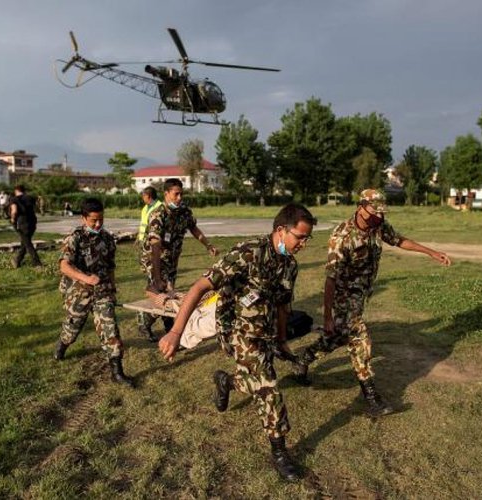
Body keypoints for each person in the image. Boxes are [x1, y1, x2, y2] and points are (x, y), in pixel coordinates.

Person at [158, 203, 316, 482]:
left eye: (307, 238)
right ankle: (279, 451)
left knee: (253, 381)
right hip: (236, 330)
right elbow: (199, 287)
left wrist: (281, 339)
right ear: (281, 230)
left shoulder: (289, 265)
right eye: (300, 237)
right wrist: (176, 332)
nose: (303, 243)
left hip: (264, 331)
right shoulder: (247, 253)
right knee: (268, 386)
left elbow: (281, 305)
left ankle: (226, 381)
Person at [293, 189, 451, 418]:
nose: (380, 217)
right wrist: (327, 315)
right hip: (342, 296)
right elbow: (331, 279)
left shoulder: (378, 225)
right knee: (360, 339)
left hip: (360, 294)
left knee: (337, 336)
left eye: (382, 213)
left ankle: (302, 359)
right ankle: (372, 397)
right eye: (375, 212)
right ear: (361, 208)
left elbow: (398, 240)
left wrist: (431, 252)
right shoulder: (343, 237)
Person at [53, 198, 134, 386]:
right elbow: (64, 266)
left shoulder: (107, 238)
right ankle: (62, 345)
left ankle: (117, 372)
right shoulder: (75, 238)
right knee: (72, 327)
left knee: (110, 327)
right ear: (84, 219)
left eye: (101, 220)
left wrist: (112, 288)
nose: (98, 224)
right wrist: (86, 278)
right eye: (93, 221)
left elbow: (110, 266)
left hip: (102, 292)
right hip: (79, 292)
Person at [138, 178, 218, 342]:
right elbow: (155, 246)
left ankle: (166, 324)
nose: (179, 198)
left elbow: (194, 229)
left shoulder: (184, 212)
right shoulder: (158, 214)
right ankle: (146, 323)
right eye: (176, 194)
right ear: (166, 194)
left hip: (172, 260)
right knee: (162, 292)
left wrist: (208, 245)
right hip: (154, 260)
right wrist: (157, 275)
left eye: (181, 194)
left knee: (169, 293)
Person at [10, 185, 42, 268]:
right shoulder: (30, 197)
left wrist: (13, 219)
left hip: (22, 223)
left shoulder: (14, 199)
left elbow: (14, 211)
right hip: (32, 221)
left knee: (28, 244)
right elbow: (36, 207)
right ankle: (17, 261)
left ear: (16, 190)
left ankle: (37, 263)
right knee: (25, 242)